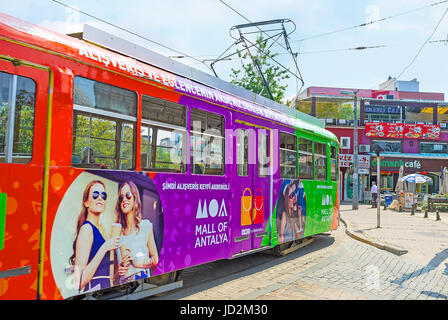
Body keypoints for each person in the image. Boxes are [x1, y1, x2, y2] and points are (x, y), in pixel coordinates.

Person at [69, 180, 121, 293]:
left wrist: (119, 271)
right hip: (95, 292)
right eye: (95, 194)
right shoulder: (87, 229)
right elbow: (79, 281)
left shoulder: (97, 230)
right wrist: (105, 247)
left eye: (103, 195)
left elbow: (101, 272)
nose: (100, 198)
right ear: (86, 202)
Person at [115, 181, 159, 284]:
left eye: (128, 195)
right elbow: (116, 272)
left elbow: (155, 259)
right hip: (123, 284)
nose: (124, 200)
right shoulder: (118, 233)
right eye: (121, 197)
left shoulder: (145, 226)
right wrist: (119, 271)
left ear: (135, 198)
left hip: (141, 280)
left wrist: (137, 262)